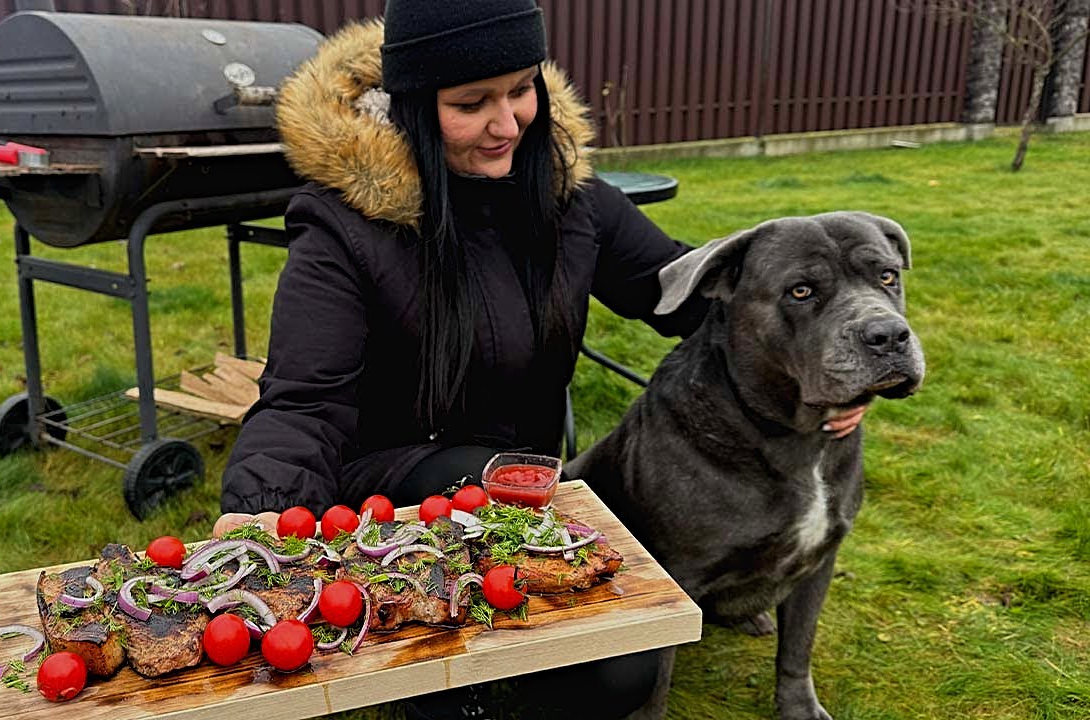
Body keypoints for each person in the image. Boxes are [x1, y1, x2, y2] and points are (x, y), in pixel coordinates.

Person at [214, 2, 865, 717]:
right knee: (477, 520)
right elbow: (305, 400)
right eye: (471, 104)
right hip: (391, 487)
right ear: (414, 108)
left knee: (618, 678)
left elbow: (689, 300)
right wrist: (264, 514)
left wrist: (818, 354)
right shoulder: (342, 226)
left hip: (525, 489)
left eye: (522, 89)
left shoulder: (571, 199)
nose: (508, 123)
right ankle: (429, 650)